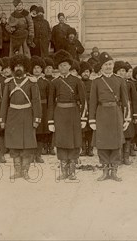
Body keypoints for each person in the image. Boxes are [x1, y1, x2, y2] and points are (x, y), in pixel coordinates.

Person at [0, 54, 42, 180]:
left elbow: (36, 101)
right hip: (12, 116)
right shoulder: (9, 83)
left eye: (21, 66)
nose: (18, 68)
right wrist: (2, 119)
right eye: (16, 66)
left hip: (27, 115)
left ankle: (25, 171)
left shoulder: (31, 82)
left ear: (25, 67)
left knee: (27, 145)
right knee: (14, 145)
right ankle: (17, 171)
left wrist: (36, 119)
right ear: (13, 67)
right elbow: (4, 103)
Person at [89, 52, 130, 181]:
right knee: (102, 144)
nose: (108, 67)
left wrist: (127, 118)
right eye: (106, 65)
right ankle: (105, 171)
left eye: (110, 64)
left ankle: (114, 172)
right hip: (101, 115)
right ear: (101, 67)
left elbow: (126, 101)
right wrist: (92, 119)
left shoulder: (120, 80)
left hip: (116, 114)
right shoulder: (96, 82)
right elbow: (92, 102)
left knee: (116, 143)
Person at [47, 50, 86, 180]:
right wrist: (51, 121)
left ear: (70, 66)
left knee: (74, 142)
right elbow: (51, 103)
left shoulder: (77, 81)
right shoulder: (54, 82)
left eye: (65, 65)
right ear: (57, 68)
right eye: (60, 66)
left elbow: (84, 101)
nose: (63, 68)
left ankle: (72, 171)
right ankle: (64, 171)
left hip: (73, 114)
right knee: (62, 142)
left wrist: (83, 118)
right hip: (59, 115)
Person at [114, 61, 137, 165]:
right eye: (119, 71)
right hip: (115, 111)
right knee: (118, 134)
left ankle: (126, 157)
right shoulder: (113, 83)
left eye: (123, 71)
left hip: (127, 111)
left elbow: (135, 99)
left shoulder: (130, 84)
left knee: (127, 134)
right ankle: (118, 157)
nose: (121, 73)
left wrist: (135, 114)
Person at [31, 56, 52, 161]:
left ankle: (38, 155)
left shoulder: (46, 82)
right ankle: (31, 155)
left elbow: (49, 99)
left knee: (41, 133)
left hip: (43, 109)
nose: (36, 70)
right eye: (34, 68)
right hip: (31, 110)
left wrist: (48, 112)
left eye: (38, 68)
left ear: (42, 69)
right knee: (31, 132)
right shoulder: (28, 81)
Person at [79, 61, 94, 157]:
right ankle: (83, 149)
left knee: (91, 129)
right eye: (84, 72)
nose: (86, 74)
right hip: (81, 110)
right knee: (82, 130)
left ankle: (90, 149)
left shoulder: (93, 83)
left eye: (87, 72)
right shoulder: (78, 83)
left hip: (91, 109)